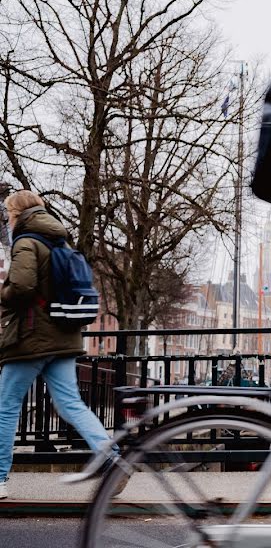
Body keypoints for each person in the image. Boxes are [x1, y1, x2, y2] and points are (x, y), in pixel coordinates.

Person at [0, 190, 123, 501]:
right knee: (71, 404)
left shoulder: (26, 242)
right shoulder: (59, 240)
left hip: (32, 339)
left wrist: (3, 293)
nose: (7, 219)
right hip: (65, 337)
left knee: (5, 407)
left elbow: (23, 286)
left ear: (16, 214)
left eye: (7, 214)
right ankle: (114, 458)